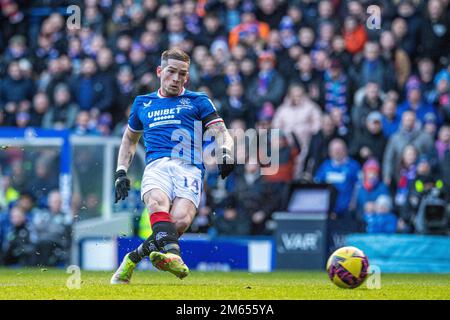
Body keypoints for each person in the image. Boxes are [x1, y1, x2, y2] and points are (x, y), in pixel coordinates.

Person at [110, 49, 235, 284]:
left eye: (182, 74)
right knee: (156, 202)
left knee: (179, 222)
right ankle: (175, 257)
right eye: (171, 72)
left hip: (190, 167)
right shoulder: (143, 103)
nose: (177, 78)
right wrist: (121, 171)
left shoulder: (198, 100)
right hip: (157, 165)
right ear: (160, 71)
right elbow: (129, 139)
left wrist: (226, 152)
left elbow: (221, 132)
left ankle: (132, 258)